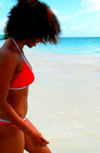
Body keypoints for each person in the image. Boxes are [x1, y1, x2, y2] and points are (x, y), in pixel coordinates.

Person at [0, 0, 61, 152]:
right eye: (41, 34)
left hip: (19, 122)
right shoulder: (9, 54)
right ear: (29, 28)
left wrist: (26, 127)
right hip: (7, 125)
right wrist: (29, 131)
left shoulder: (17, 49)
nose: (41, 40)